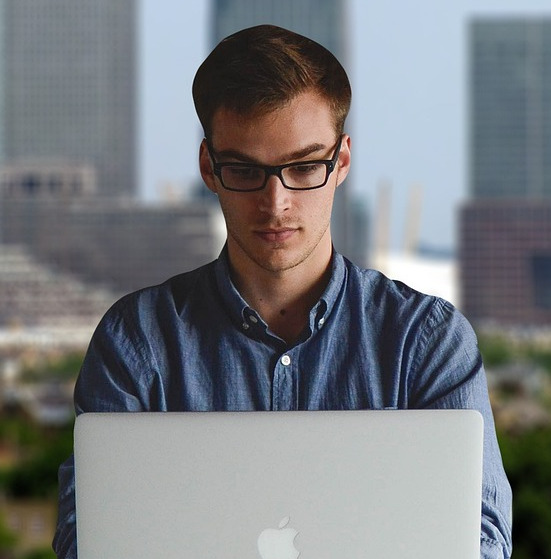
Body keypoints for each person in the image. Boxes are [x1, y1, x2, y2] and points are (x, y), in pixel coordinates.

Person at [53, 24, 512, 559]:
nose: (276, 204)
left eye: (303, 166)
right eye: (246, 170)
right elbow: (85, 541)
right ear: (209, 168)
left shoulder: (427, 341)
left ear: (340, 162)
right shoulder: (137, 340)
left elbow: (481, 541)